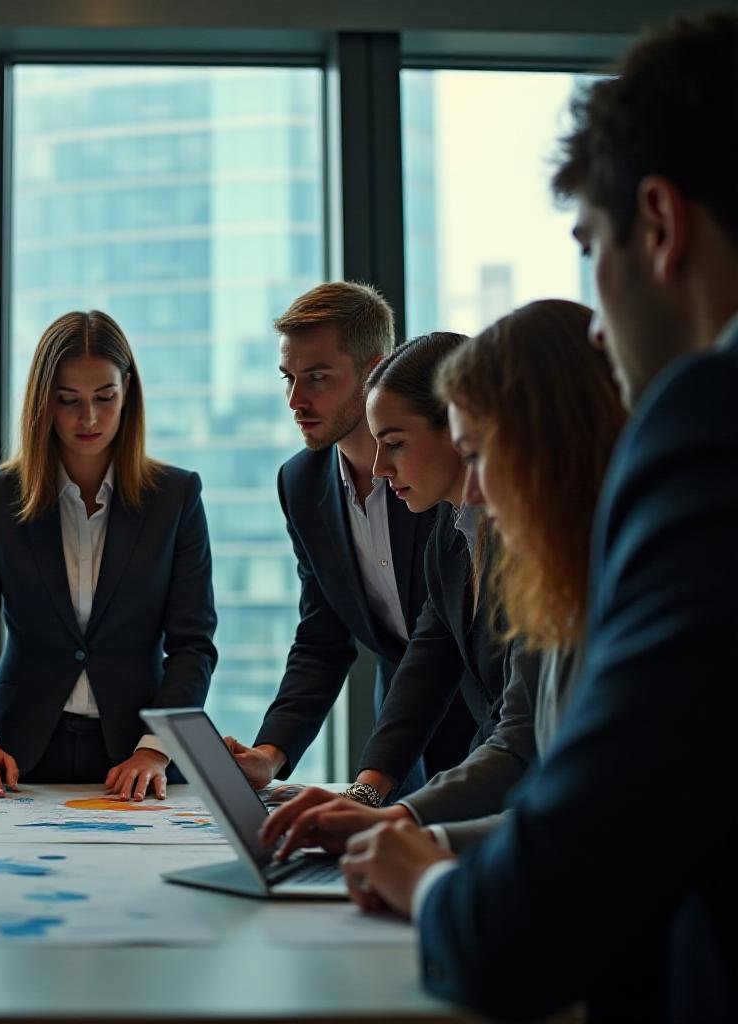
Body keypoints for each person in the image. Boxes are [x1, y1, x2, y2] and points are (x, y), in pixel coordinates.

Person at [336, 14, 738, 1019]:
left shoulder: (703, 430)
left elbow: (531, 923)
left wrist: (426, 882)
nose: (600, 322)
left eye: (590, 246)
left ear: (658, 224)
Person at [261, 301, 624, 858]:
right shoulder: (452, 534)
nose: (382, 468)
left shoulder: (585, 563)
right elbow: (430, 665)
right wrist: (379, 804)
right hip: (496, 802)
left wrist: (413, 837)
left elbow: (548, 772)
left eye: (478, 451)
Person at [0, 310, 217, 800]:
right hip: (13, 758)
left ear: (127, 391)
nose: (88, 418)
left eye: (104, 398)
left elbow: (193, 645)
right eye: (68, 401)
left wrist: (156, 749)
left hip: (140, 758)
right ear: (44, 401)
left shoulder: (176, 496)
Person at [225, 286, 476, 798]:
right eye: (288, 379)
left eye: (316, 378)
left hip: (484, 716)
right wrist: (271, 754)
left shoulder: (440, 473)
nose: (296, 400)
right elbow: (322, 637)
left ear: (374, 369)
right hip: (394, 738)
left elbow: (443, 637)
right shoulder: (299, 483)